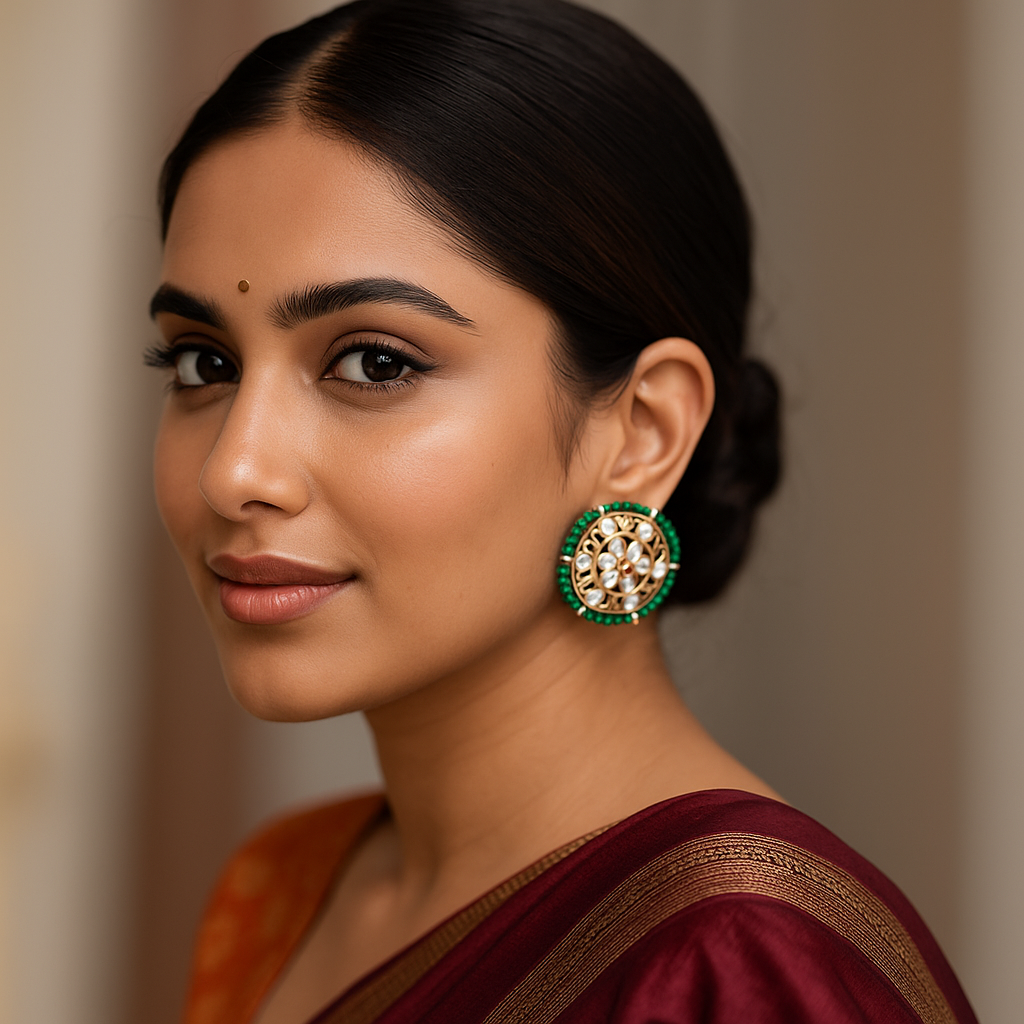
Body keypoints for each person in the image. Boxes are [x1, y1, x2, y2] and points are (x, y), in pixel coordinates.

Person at [146, 1, 977, 1021]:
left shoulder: (739, 971)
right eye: (204, 362)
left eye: (374, 362)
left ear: (640, 434)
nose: (233, 470)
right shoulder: (283, 886)